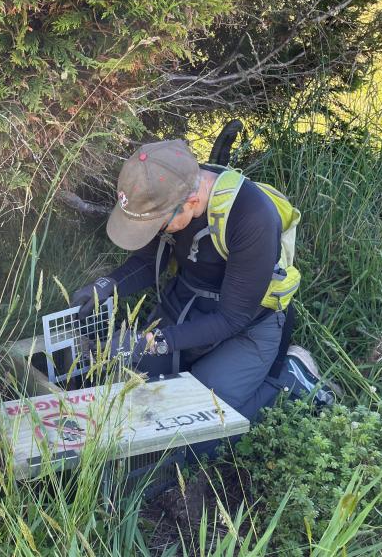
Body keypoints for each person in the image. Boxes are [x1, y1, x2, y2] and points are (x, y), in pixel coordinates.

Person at [71, 140, 334, 442]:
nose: (156, 232)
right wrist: (107, 285)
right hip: (187, 304)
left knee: (204, 424)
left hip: (247, 325)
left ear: (192, 201)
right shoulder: (167, 188)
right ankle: (194, 366)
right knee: (136, 391)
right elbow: (149, 262)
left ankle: (292, 376)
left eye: (159, 225)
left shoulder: (252, 217)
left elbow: (233, 318)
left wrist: (152, 342)